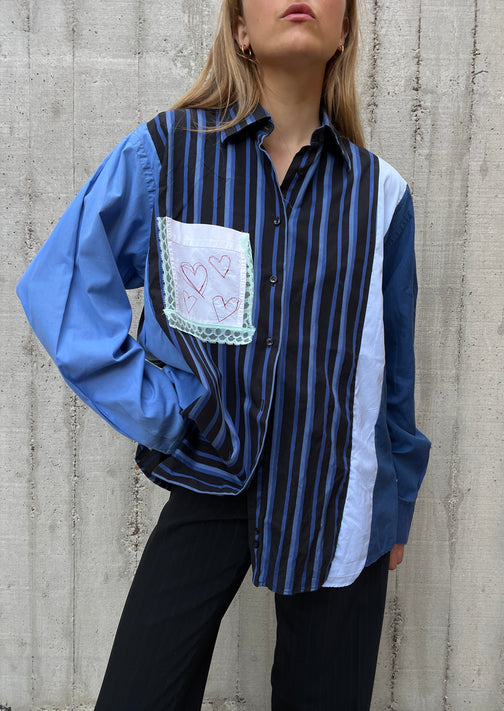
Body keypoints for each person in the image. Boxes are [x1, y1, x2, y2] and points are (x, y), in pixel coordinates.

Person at [17, 0, 431, 708]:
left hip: (341, 495)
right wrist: (163, 410)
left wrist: (397, 502)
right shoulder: (167, 155)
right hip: (212, 468)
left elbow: (391, 368)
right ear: (240, 28)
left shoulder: (381, 197)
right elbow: (62, 287)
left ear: (344, 31)